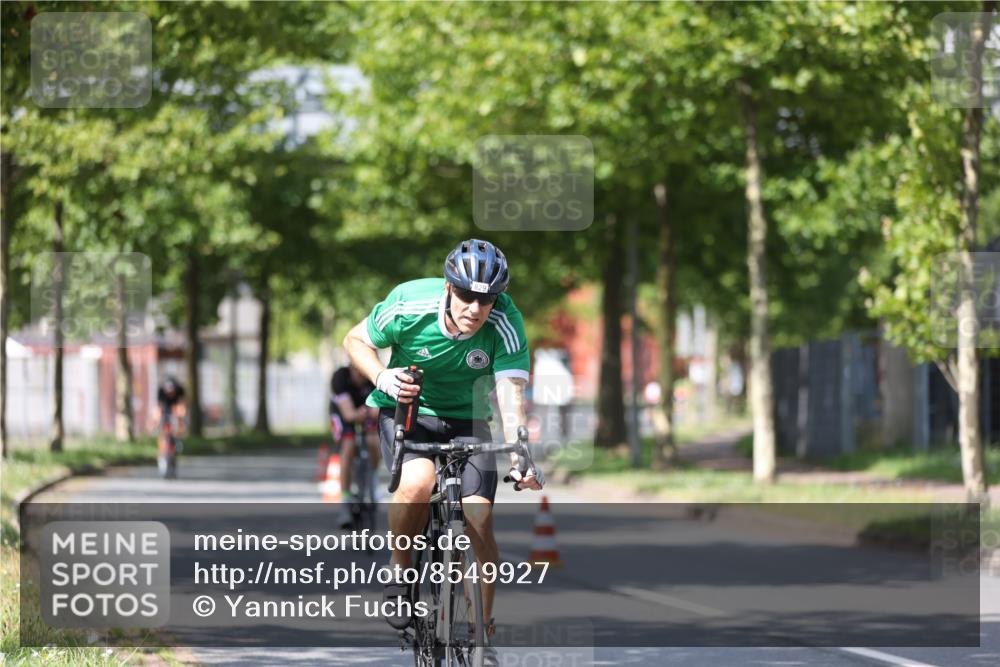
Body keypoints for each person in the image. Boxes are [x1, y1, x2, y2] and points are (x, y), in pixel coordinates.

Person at [343, 238, 542, 641]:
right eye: (467, 296)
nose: (475, 309)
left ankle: (483, 626)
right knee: (417, 484)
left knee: (479, 518)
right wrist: (383, 376)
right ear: (449, 287)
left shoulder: (505, 319)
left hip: (468, 418)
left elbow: (510, 392)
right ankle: (400, 573)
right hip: (408, 409)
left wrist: (520, 451)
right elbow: (354, 340)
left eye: (486, 300)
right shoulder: (409, 303)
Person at [328, 363, 378, 524]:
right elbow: (349, 415)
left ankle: (372, 479)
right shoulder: (340, 378)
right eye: (359, 372)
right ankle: (345, 499)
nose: (362, 376)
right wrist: (361, 413)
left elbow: (378, 412)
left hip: (366, 411)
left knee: (373, 441)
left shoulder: (373, 376)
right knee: (348, 445)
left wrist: (371, 413)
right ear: (352, 369)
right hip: (343, 413)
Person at [153, 376, 187, 478]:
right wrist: (156, 421)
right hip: (164, 413)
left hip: (175, 412)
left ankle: (178, 442)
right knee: (162, 431)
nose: (170, 392)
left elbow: (182, 406)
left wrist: (181, 419)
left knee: (178, 425)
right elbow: (158, 408)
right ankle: (161, 452)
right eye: (168, 390)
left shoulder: (180, 391)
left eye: (172, 390)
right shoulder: (161, 392)